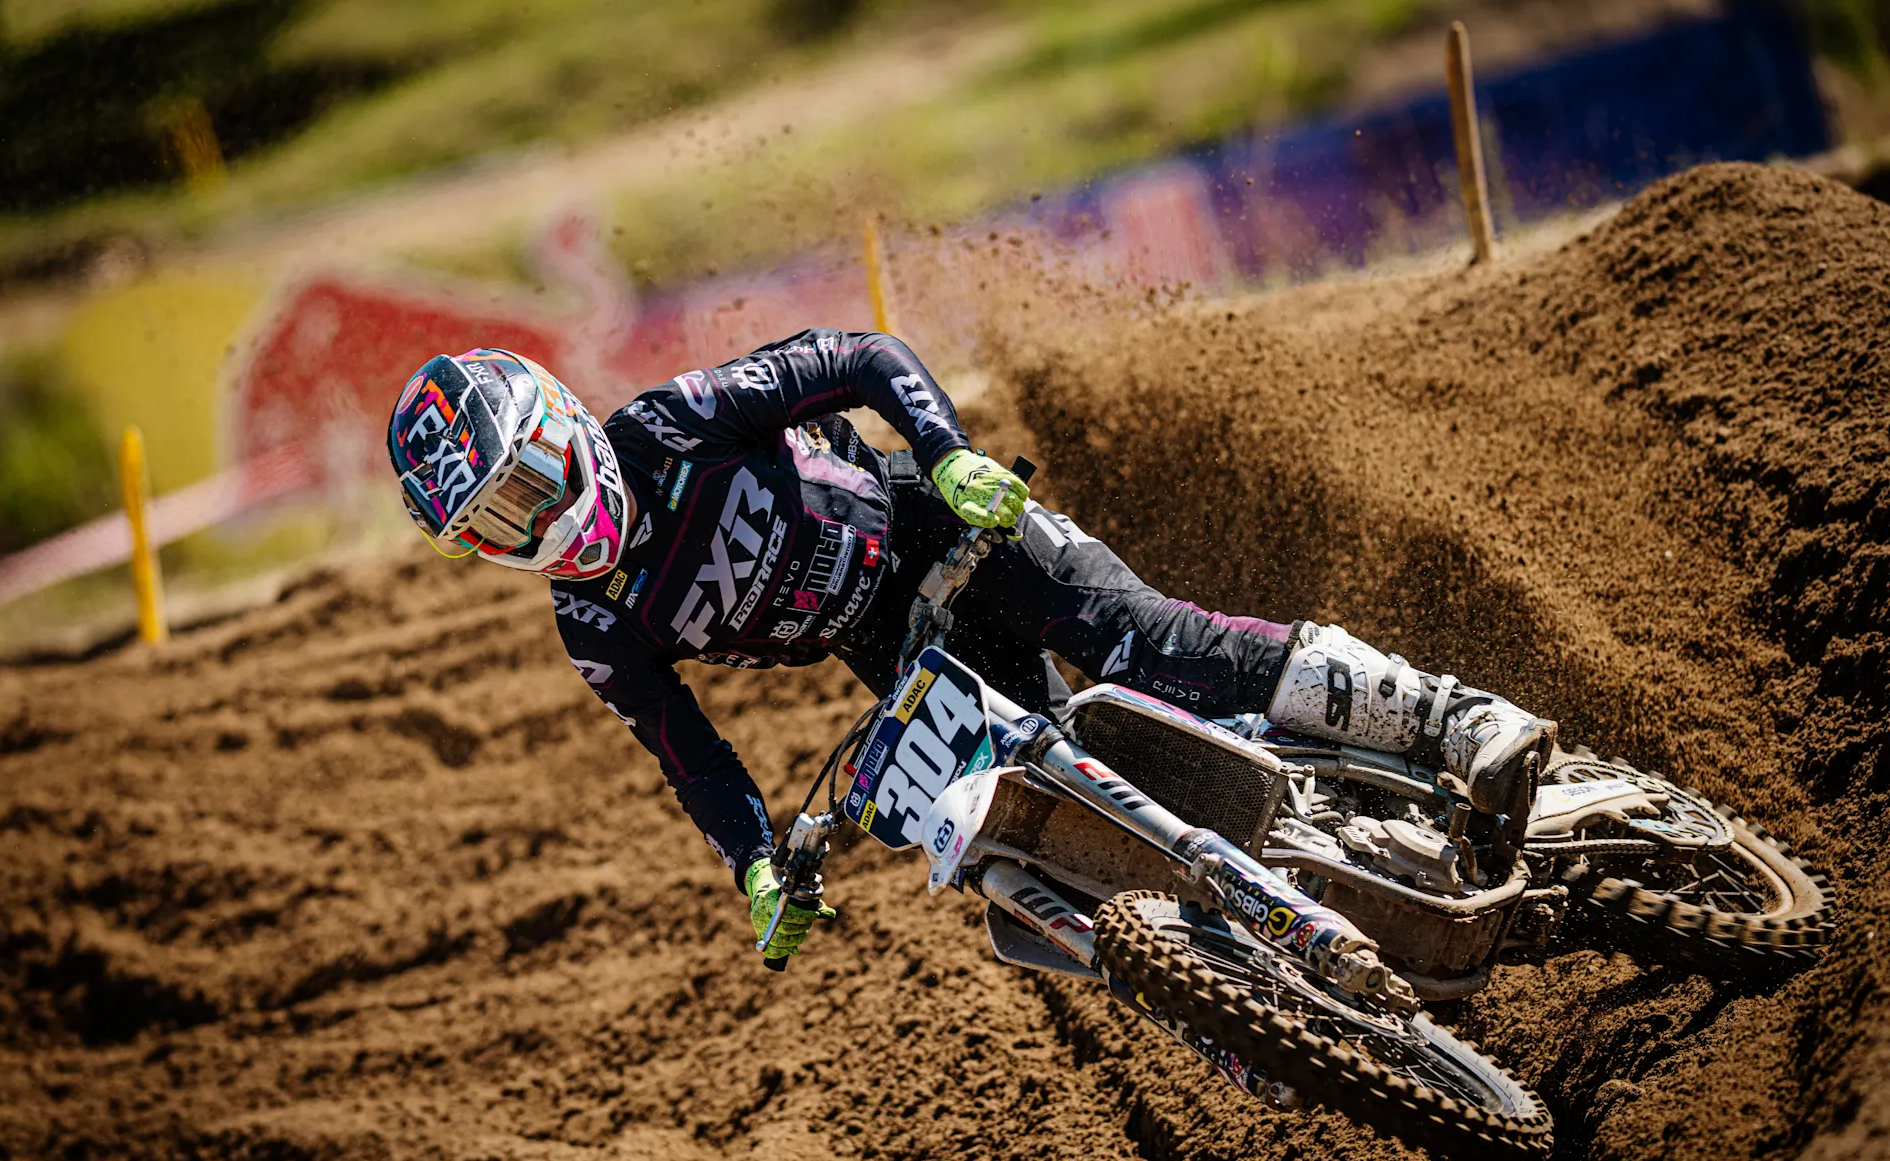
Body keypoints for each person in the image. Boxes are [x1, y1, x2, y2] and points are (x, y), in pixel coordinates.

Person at [387, 332, 1555, 961]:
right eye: (494, 524)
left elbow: (856, 357)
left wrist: (943, 449)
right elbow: (685, 748)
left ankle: (1456, 719)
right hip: (890, 647)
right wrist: (755, 862)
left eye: (527, 482)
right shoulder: (592, 623)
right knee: (1030, 828)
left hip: (942, 529)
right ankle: (1281, 967)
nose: (533, 524)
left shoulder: (668, 426)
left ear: (560, 423)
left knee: (1152, 645)